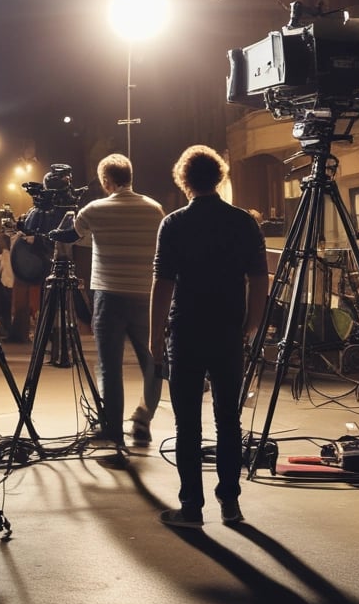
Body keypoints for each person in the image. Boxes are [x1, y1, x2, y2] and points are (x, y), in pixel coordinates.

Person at [150, 145, 268, 528]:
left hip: (186, 329)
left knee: (187, 423)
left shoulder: (174, 223)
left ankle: (192, 507)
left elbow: (162, 282)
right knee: (228, 419)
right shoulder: (243, 222)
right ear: (219, 177)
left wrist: (155, 334)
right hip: (228, 328)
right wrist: (253, 321)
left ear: (184, 180)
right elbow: (258, 276)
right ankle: (230, 502)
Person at [52, 153, 164, 447]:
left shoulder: (94, 209)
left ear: (105, 181)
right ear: (130, 176)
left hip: (109, 296)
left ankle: (112, 427)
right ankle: (143, 420)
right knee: (152, 361)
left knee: (109, 365)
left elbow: (69, 236)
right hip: (145, 295)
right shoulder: (154, 210)